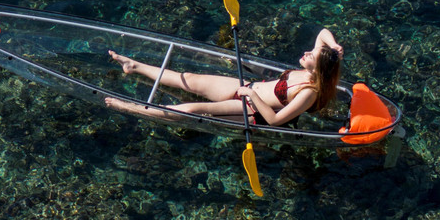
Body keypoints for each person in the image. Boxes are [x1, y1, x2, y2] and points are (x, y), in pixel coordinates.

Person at [103, 29, 344, 127]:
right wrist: (334, 45)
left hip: (249, 108)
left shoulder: (309, 92)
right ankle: (134, 65)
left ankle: (131, 107)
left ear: (319, 67)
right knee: (188, 78)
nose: (306, 53)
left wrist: (250, 95)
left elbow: (275, 120)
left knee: (191, 109)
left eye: (311, 54)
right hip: (247, 87)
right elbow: (323, 33)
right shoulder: (313, 69)